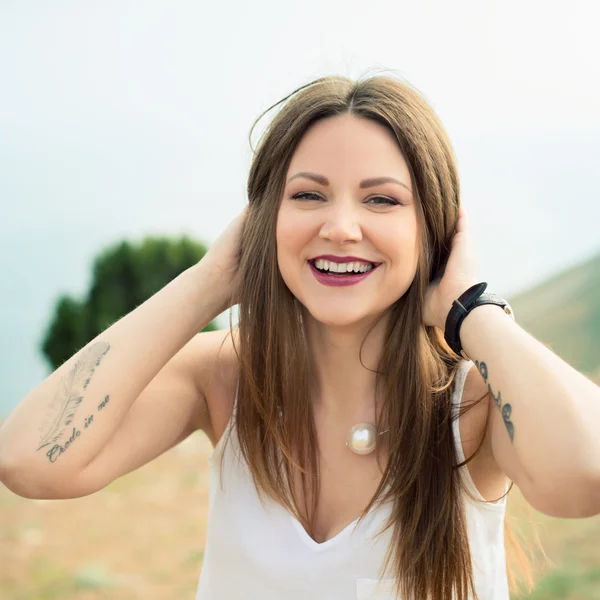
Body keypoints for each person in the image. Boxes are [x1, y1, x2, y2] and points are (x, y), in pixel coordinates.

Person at [1, 74, 599, 600]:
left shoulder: (472, 404)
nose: (340, 227)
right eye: (308, 195)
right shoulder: (226, 377)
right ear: (264, 221)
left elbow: (586, 477)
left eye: (382, 200)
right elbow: (28, 461)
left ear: (434, 230)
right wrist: (210, 281)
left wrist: (471, 309)